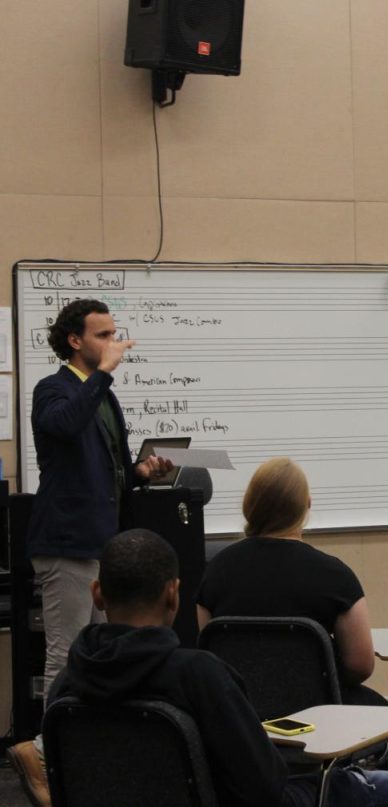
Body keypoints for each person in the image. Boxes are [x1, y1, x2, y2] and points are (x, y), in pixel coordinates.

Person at [46, 528, 388, 807]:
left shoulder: (67, 683)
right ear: (173, 593)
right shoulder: (199, 676)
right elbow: (263, 788)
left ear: (97, 593)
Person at [7, 300, 174, 805]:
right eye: (102, 335)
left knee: (101, 648)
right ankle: (38, 750)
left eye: (114, 334)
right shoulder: (53, 389)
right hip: (67, 542)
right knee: (67, 648)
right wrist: (100, 375)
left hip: (105, 541)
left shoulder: (105, 397)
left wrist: (141, 474)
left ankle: (80, 747)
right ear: (76, 341)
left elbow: (113, 469)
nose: (114, 344)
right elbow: (62, 427)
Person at [197, 457, 383, 705]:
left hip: (238, 715)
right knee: (379, 708)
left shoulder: (215, 569)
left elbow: (203, 649)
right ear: (307, 505)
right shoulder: (335, 575)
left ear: (249, 506)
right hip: (320, 715)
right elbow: (360, 666)